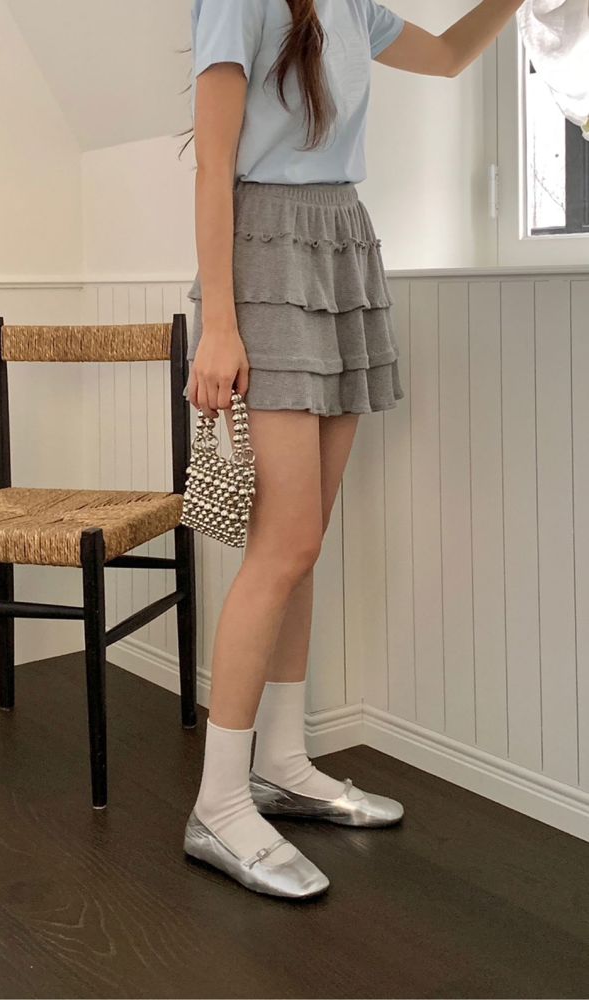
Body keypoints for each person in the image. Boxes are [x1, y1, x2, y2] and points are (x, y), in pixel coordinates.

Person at [181, 0, 525, 899]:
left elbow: (447, 55)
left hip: (340, 241)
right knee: (282, 548)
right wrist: (220, 326)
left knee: (303, 545)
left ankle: (281, 764)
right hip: (264, 255)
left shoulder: (354, 5)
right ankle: (219, 803)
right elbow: (214, 160)